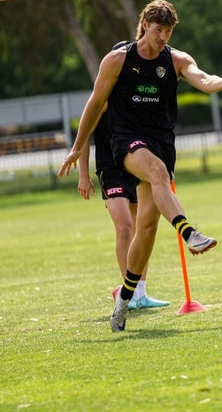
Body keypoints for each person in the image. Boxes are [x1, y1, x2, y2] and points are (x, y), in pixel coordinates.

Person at [59, 0, 222, 332]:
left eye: (169, 31)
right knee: (157, 173)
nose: (163, 36)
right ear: (144, 24)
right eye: (159, 29)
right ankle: (190, 233)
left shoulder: (175, 60)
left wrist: (220, 82)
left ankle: (124, 300)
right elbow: (95, 103)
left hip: (161, 143)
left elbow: (201, 78)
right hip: (126, 142)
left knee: (145, 230)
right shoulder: (118, 60)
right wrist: (77, 148)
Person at [77, 106, 169, 311]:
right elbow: (82, 137)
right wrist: (84, 175)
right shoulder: (100, 101)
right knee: (125, 227)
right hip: (110, 170)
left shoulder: (131, 98)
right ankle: (130, 293)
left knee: (141, 228)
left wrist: (162, 168)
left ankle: (140, 293)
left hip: (134, 167)